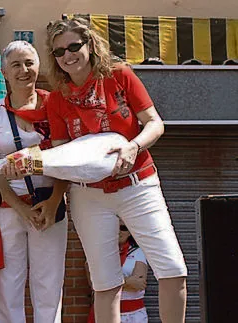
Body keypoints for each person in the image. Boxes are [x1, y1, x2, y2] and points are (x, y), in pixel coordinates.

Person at [43, 17, 187, 323]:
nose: (68, 55)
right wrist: (28, 164)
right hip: (89, 195)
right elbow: (62, 154)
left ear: (90, 45)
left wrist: (133, 146)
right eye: (59, 52)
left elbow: (154, 123)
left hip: (138, 183)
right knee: (105, 282)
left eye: (73, 46)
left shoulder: (119, 75)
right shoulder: (57, 99)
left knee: (173, 268)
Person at [0, 40, 68, 323]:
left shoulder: (56, 104)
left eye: (29, 63)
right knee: (7, 286)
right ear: (4, 71)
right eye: (15, 64)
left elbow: (67, 157)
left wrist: (53, 202)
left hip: (50, 207)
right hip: (8, 208)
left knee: (49, 284)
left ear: (38, 66)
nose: (23, 70)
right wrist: (19, 207)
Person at [86, 220, 149, 323]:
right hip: (105, 312)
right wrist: (129, 282)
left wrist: (108, 282)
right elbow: (94, 282)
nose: (119, 231)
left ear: (129, 231)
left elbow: (139, 284)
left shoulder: (138, 252)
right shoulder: (97, 252)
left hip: (134, 314)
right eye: (115, 227)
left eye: (123, 228)